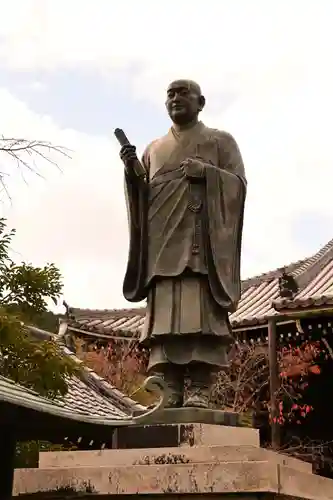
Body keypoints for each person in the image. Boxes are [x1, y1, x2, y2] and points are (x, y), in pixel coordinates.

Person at [119, 79, 247, 408]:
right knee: (165, 319)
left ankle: (200, 387)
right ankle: (171, 387)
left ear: (201, 102)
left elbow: (238, 187)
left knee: (199, 313)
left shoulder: (220, 141)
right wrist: (133, 175)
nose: (175, 99)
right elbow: (143, 198)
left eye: (183, 93)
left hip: (199, 244)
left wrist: (207, 172)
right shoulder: (153, 148)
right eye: (170, 94)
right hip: (162, 244)